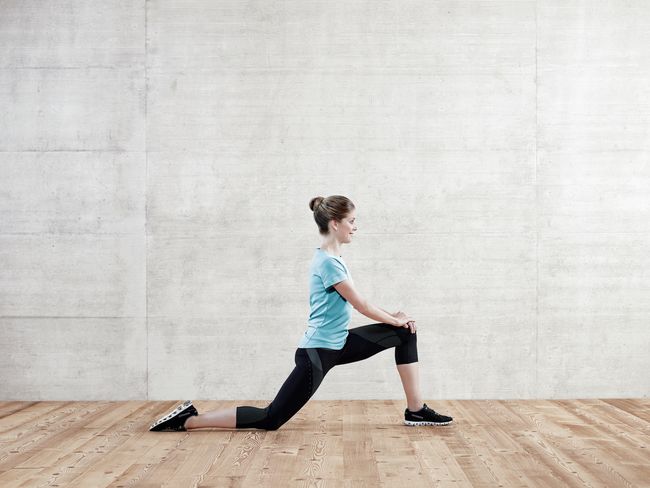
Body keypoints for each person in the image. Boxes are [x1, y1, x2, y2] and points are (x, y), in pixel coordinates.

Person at [149, 195, 453, 432]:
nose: (355, 226)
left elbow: (357, 302)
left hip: (338, 343)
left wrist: (396, 319)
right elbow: (361, 305)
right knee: (271, 418)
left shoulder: (333, 257)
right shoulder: (329, 263)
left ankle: (415, 409)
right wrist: (393, 316)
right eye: (352, 221)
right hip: (317, 353)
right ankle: (189, 420)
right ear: (335, 223)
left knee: (404, 332)